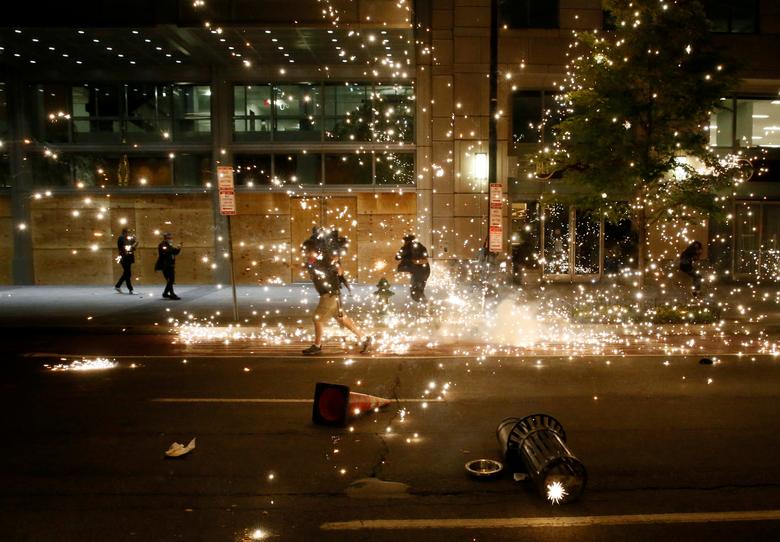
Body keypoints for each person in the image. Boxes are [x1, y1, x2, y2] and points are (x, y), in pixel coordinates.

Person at [302, 238, 372, 355]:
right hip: (332, 296)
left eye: (308, 251)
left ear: (316, 251)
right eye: (306, 252)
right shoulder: (314, 263)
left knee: (317, 318)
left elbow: (338, 271)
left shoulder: (324, 262)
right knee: (342, 319)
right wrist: (289, 265)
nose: (306, 254)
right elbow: (307, 266)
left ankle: (317, 345)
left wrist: (335, 263)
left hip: (330, 296)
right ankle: (365, 338)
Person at [395, 234, 430, 303]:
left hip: (418, 271)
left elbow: (397, 257)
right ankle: (426, 306)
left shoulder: (406, 248)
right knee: (418, 290)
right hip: (425, 270)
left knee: (415, 292)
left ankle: (426, 304)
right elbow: (425, 258)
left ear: (406, 241)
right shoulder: (421, 246)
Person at [155, 232, 182, 300]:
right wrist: (173, 249)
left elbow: (175, 252)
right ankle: (172, 294)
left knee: (170, 280)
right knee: (170, 280)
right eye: (169, 238)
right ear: (165, 238)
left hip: (170, 265)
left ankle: (165, 293)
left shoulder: (169, 245)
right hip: (165, 265)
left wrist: (178, 248)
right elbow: (166, 252)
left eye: (171, 238)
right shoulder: (162, 245)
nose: (171, 239)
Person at [114, 228, 138, 294]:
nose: (129, 234)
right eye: (128, 232)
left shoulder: (127, 238)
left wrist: (134, 241)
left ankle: (118, 286)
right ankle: (130, 289)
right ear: (125, 232)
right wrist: (132, 244)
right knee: (127, 273)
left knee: (126, 273)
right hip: (124, 257)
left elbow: (133, 246)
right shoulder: (121, 238)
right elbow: (125, 247)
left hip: (128, 257)